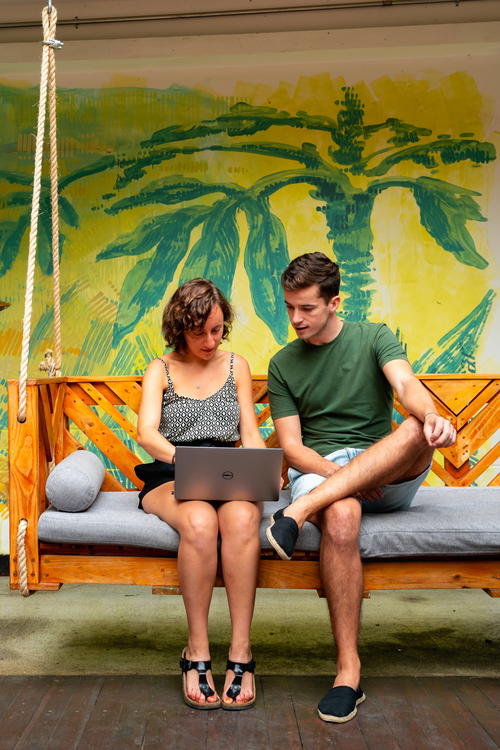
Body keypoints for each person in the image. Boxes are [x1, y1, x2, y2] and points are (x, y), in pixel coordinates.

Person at [266, 252, 456, 724]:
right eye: (289, 307)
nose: (295, 319)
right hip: (324, 468)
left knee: (414, 426)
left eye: (306, 308)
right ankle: (348, 672)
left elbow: (406, 383)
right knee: (344, 512)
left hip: (387, 473)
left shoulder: (374, 336)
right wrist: (344, 480)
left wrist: (432, 417)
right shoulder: (282, 363)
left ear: (334, 302)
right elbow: (291, 448)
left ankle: (297, 512)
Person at [136, 278, 266, 711]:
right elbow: (147, 434)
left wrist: (265, 470)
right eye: (198, 332)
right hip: (172, 470)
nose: (210, 341)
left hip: (228, 472)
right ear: (180, 328)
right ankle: (196, 651)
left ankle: (241, 652)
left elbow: (249, 432)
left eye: (216, 330)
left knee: (244, 519)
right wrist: (185, 463)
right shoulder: (161, 369)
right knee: (199, 521)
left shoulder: (236, 366)